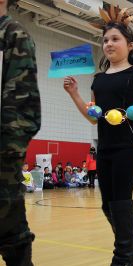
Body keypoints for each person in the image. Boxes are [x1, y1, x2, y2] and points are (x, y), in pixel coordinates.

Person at [63, 6, 133, 265]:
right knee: (108, 205)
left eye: (115, 39)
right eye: (105, 40)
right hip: (105, 148)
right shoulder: (98, 80)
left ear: (130, 45)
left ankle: (123, 257)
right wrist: (75, 94)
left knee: (119, 202)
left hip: (129, 147)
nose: (108, 43)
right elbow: (94, 115)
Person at [0, 0, 41, 264]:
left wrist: (7, 155)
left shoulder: (13, 33)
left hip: (2, 154)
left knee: (10, 232)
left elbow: (25, 106)